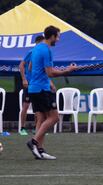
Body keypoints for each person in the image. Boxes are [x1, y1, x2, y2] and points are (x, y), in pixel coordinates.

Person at [26, 25, 77, 160]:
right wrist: (67, 71)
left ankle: (40, 151)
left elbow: (30, 67)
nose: (58, 40)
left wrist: (41, 75)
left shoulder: (36, 48)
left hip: (33, 88)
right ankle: (34, 142)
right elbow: (50, 72)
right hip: (42, 89)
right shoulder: (46, 50)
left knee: (42, 118)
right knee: (54, 117)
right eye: (58, 36)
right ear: (52, 36)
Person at [19, 35, 45, 136]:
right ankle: (22, 128)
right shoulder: (32, 52)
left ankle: (36, 128)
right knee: (26, 106)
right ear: (38, 42)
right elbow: (21, 65)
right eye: (43, 43)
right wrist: (24, 79)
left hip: (38, 83)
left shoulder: (42, 53)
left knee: (38, 106)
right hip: (29, 83)